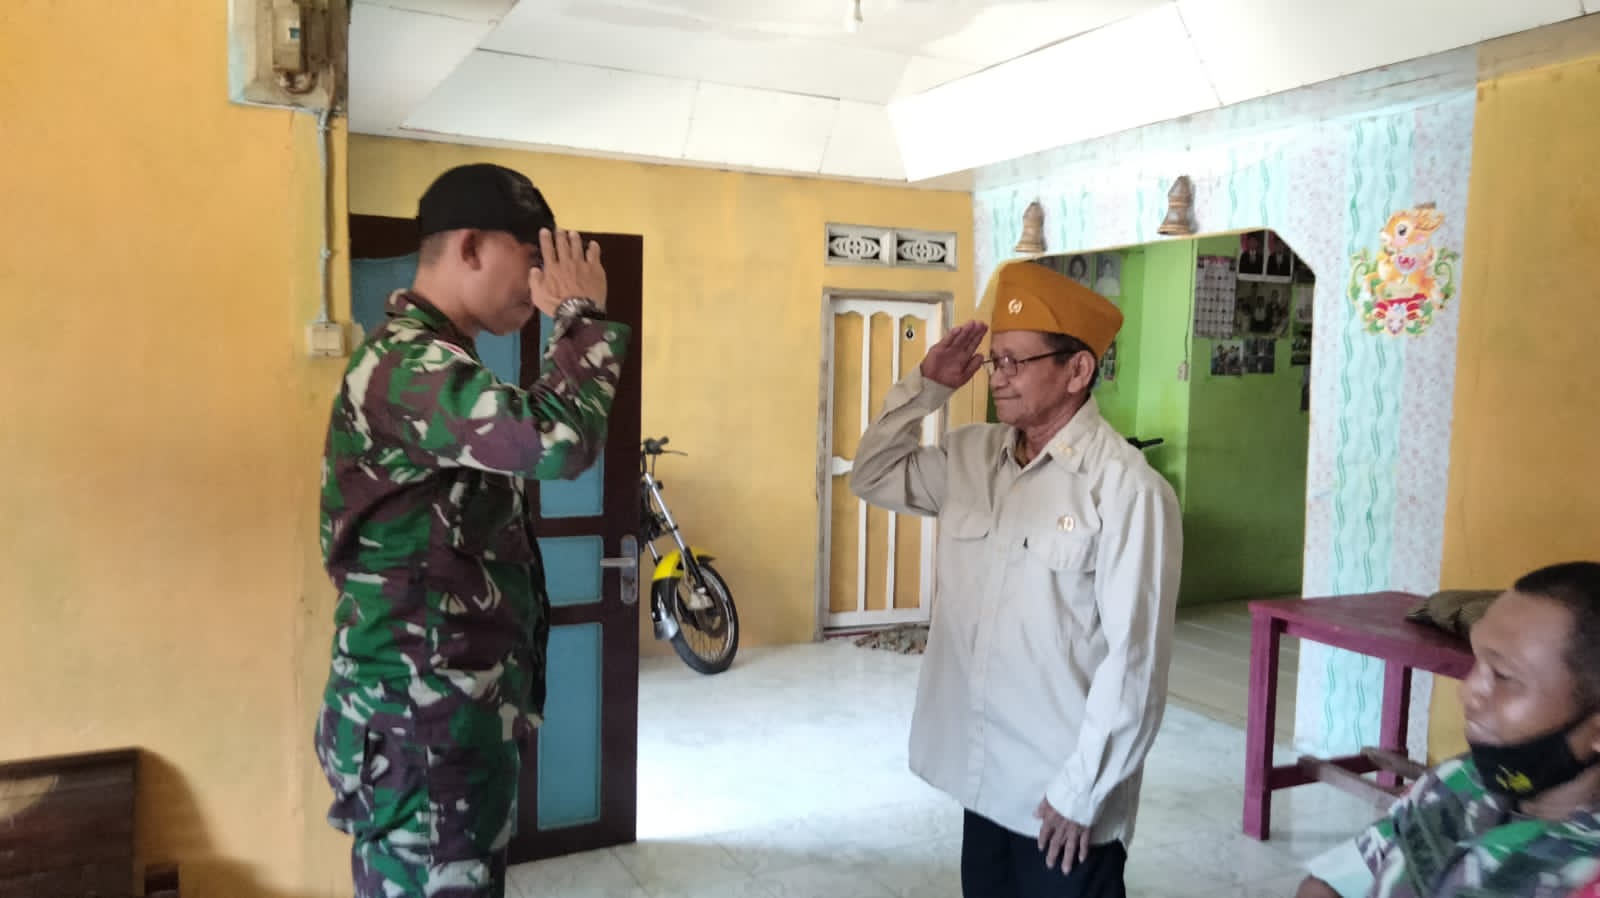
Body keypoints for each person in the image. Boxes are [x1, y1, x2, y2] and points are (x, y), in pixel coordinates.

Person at [313, 163, 631, 898]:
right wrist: (579, 316)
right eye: (532, 258)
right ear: (469, 247)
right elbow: (558, 441)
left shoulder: (436, 361)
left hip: (436, 721)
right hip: (419, 728)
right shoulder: (407, 364)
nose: (541, 281)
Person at [851, 259, 1183, 898]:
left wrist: (1081, 792)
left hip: (1060, 797)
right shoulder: (972, 456)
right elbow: (871, 474)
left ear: (1077, 370)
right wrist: (926, 388)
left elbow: (1135, 662)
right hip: (984, 775)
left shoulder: (1126, 489)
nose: (997, 376)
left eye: (1015, 362)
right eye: (993, 361)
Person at [1296, 561, 1600, 898]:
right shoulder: (1457, 779)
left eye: (1503, 675)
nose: (1468, 691)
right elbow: (1330, 883)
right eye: (1477, 659)